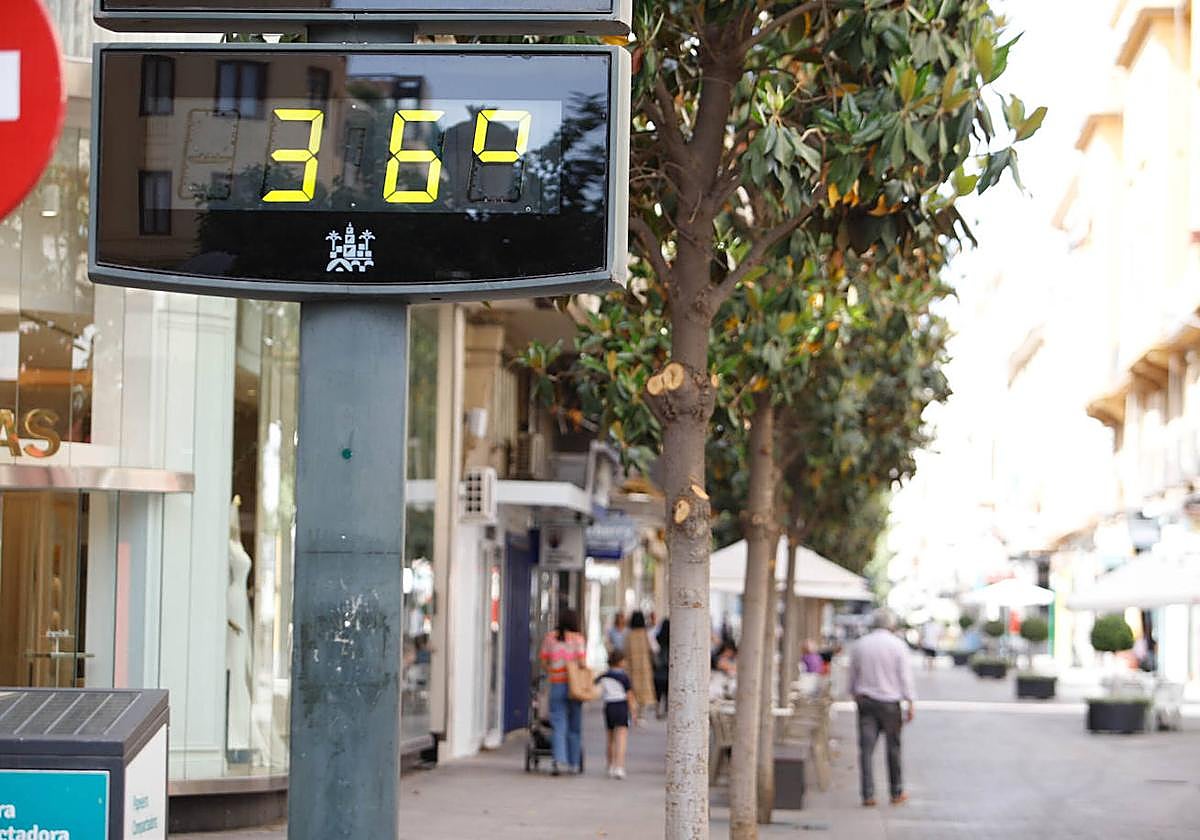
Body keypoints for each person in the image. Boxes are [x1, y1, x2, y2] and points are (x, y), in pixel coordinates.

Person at [848, 608, 915, 807]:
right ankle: (896, 792)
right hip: (890, 703)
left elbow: (852, 674)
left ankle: (868, 795)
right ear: (891, 625)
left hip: (866, 701)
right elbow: (905, 676)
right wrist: (910, 701)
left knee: (866, 749)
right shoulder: (898, 646)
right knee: (893, 749)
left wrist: (853, 694)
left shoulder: (861, 645)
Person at [540, 608, 586, 776]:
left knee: (558, 724)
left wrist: (555, 669)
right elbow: (581, 663)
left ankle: (559, 760)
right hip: (575, 687)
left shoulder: (550, 638)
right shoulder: (578, 639)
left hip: (557, 684)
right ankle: (574, 763)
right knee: (574, 725)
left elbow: (544, 662)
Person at [595, 650, 635, 779]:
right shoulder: (624, 677)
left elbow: (595, 686)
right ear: (620, 662)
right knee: (621, 738)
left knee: (610, 739)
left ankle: (610, 766)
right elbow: (629, 696)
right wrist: (633, 712)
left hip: (608, 706)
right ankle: (620, 766)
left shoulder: (604, 676)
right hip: (621, 706)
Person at [624, 611, 658, 714]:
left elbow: (624, 650)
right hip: (644, 665)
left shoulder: (628, 635)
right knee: (644, 688)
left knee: (632, 687)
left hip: (631, 666)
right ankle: (641, 712)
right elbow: (654, 648)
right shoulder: (646, 634)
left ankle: (633, 712)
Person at [653, 617, 670, 719]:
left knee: (658, 692)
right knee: (668, 692)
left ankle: (658, 709)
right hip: (668, 667)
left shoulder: (659, 637)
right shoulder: (673, 638)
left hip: (659, 668)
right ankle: (667, 710)